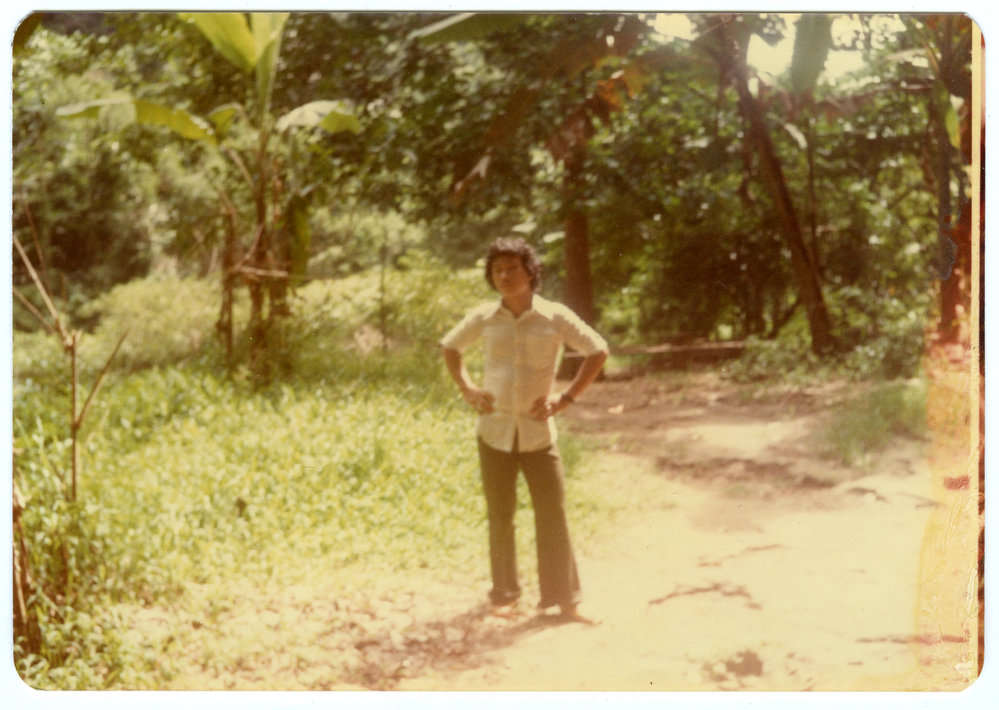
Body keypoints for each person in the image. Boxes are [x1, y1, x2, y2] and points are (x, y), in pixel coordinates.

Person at [440, 237, 608, 623]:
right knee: (501, 514)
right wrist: (468, 388)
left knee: (553, 513)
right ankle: (504, 596)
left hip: (537, 433)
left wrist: (565, 399)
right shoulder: (484, 316)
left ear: (531, 272)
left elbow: (598, 350)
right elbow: (451, 348)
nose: (504, 276)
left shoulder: (554, 316)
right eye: (497, 270)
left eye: (512, 268)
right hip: (494, 431)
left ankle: (564, 601)